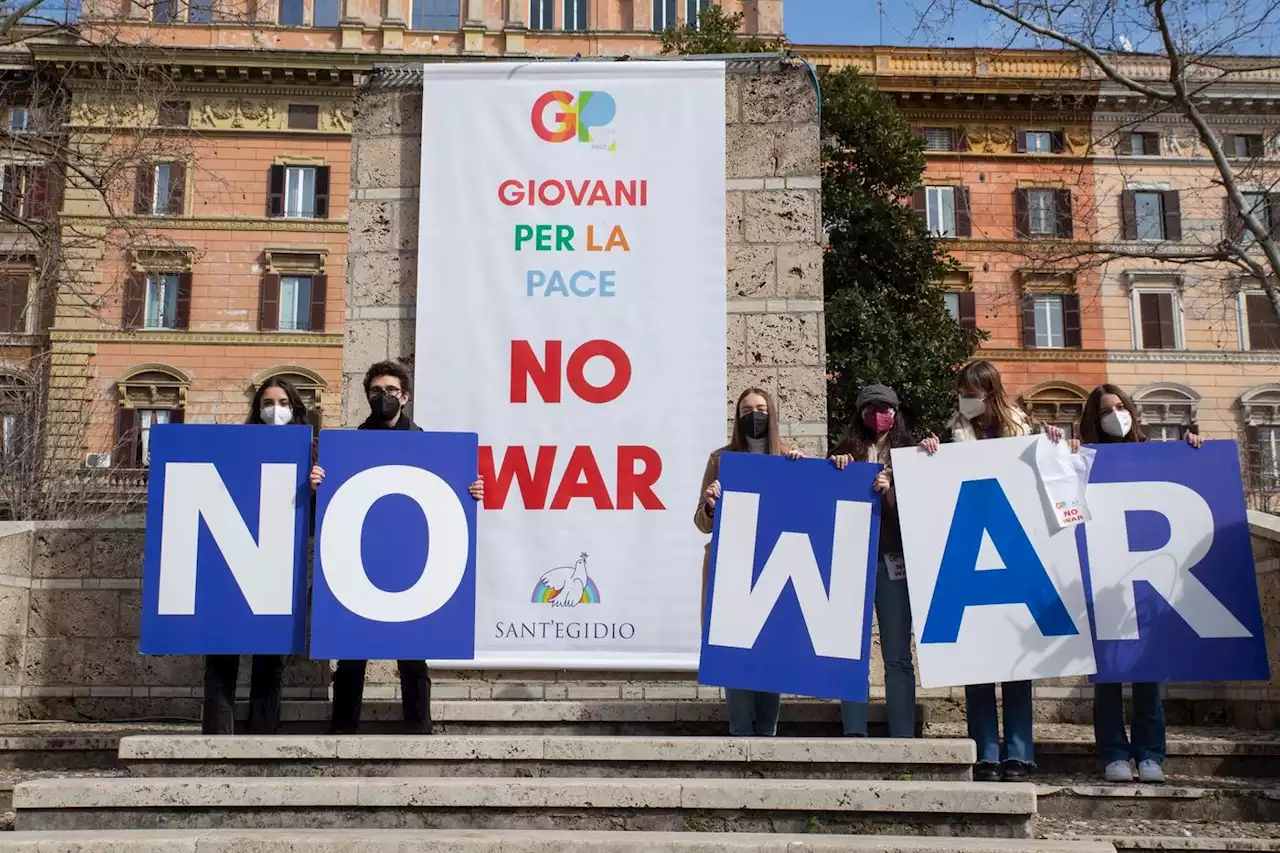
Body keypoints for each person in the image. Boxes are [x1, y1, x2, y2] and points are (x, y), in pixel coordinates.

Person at [310, 360, 484, 735]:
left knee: (412, 652)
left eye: (391, 390)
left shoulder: (430, 447)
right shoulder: (349, 447)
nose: (383, 396)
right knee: (352, 652)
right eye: (376, 391)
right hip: (364, 554)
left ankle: (418, 728)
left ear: (405, 397)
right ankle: (342, 730)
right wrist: (318, 482)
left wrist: (471, 492)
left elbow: (449, 499)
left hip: (410, 556)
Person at [919, 360, 1069, 782]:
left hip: (1018, 556)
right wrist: (930, 451)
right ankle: (986, 751)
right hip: (968, 554)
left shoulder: (1026, 430)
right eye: (961, 389)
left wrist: (1054, 441)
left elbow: (1049, 480)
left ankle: (1019, 753)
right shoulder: (951, 431)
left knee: (1017, 664)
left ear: (989, 391)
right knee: (977, 660)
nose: (964, 397)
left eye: (971, 390)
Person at [1076, 383, 1204, 784]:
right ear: (1093, 420)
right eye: (1104, 411)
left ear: (1131, 409)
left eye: (1119, 406)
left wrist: (1193, 449)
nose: (1115, 414)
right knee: (1109, 675)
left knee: (1148, 673)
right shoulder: (1084, 459)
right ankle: (1113, 753)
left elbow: (1190, 484)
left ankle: (1150, 755)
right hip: (1103, 578)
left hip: (1148, 578)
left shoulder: (1155, 453)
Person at [201, 376, 311, 736]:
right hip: (233, 553)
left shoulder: (310, 452)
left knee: (269, 654)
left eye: (282, 403)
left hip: (278, 560)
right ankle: (218, 732)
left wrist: (313, 486)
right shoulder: (236, 444)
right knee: (222, 649)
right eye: (267, 402)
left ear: (294, 408)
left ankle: (263, 732)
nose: (274, 410)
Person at [694, 387, 802, 737]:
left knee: (771, 649)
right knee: (734, 650)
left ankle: (768, 730)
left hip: (775, 563)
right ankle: (740, 729)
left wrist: (806, 474)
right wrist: (712, 503)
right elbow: (701, 521)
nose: (753, 414)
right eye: (745, 409)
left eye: (759, 408)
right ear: (737, 417)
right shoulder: (721, 459)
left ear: (771, 413)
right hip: (731, 564)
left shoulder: (790, 457)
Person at [829, 384, 917, 739]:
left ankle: (903, 733)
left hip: (893, 560)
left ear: (895, 412)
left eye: (884, 408)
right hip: (852, 561)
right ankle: (854, 730)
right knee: (851, 651)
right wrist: (835, 467)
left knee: (897, 655)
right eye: (870, 408)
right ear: (859, 414)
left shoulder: (911, 454)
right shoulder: (844, 452)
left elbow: (923, 511)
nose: (878, 414)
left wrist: (891, 491)